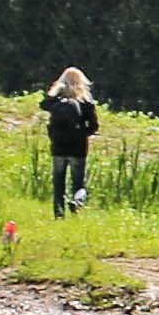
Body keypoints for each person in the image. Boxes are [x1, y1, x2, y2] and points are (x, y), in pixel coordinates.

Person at [41, 65, 100, 216]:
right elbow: (94, 126)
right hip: (78, 148)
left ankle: (59, 214)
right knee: (79, 183)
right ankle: (77, 202)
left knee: (58, 183)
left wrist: (55, 91)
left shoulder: (56, 101)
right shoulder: (86, 102)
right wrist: (81, 134)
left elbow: (43, 105)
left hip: (58, 147)